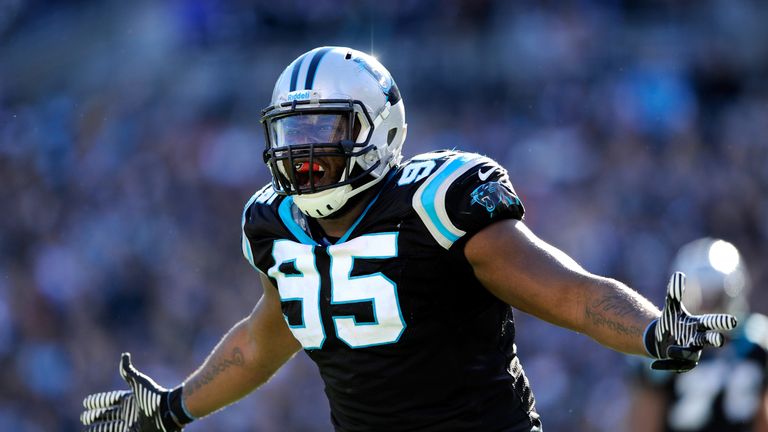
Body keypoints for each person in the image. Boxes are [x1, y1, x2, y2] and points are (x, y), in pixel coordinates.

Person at [80, 46, 738, 432]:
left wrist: (655, 333)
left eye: (323, 132)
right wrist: (172, 408)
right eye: (292, 134)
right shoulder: (273, 224)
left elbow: (568, 294)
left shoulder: (435, 202)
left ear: (377, 130)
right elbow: (264, 339)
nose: (303, 153)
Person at [629, 238, 768, 432]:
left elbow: (762, 417)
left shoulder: (757, 341)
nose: (709, 308)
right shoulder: (667, 346)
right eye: (703, 296)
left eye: (716, 295)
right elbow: (645, 417)